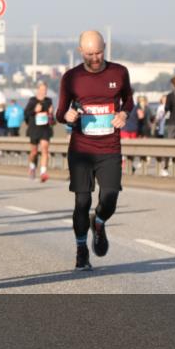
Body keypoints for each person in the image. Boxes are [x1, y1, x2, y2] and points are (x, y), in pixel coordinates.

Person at [56, 30, 133, 271]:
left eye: (99, 52)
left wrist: (123, 113)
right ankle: (81, 250)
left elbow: (128, 99)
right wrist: (66, 116)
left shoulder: (119, 72)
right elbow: (60, 112)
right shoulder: (71, 77)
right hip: (81, 149)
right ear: (81, 52)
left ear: (105, 47)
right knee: (82, 201)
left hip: (109, 147)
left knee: (109, 197)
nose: (95, 58)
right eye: (90, 54)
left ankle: (98, 222)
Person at [23, 81, 53, 182]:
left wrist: (51, 113)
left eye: (45, 90)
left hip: (45, 129)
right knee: (34, 152)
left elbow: (52, 119)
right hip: (34, 129)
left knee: (45, 149)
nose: (43, 92)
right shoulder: (32, 101)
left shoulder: (49, 101)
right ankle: (32, 167)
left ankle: (43, 172)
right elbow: (26, 114)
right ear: (38, 90)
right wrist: (35, 111)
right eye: (41, 90)